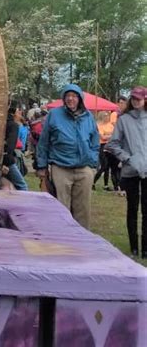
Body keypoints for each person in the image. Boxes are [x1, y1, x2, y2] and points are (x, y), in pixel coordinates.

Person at [36, 84, 99, 229]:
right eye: (68, 96)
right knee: (61, 207)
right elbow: (43, 142)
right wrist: (41, 166)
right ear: (64, 98)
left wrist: (93, 163)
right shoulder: (54, 115)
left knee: (83, 208)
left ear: (80, 99)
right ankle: (61, 236)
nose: (71, 99)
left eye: (74, 96)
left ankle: (82, 240)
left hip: (84, 168)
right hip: (61, 167)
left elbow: (95, 142)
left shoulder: (88, 116)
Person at [105, 86, 147, 258]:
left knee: (146, 210)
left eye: (139, 98)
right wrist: (127, 158)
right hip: (131, 171)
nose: (136, 101)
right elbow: (112, 144)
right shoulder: (124, 120)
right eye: (133, 98)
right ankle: (134, 246)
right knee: (132, 208)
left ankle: (145, 247)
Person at [0, 101, 28, 191]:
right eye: (19, 111)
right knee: (22, 186)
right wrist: (5, 164)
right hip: (6, 161)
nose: (20, 114)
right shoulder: (13, 125)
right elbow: (10, 146)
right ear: (15, 112)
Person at [93, 111, 115, 191]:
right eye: (105, 116)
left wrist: (108, 136)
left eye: (108, 116)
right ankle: (93, 182)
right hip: (102, 146)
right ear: (102, 117)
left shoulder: (110, 125)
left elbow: (115, 134)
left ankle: (106, 185)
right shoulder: (99, 126)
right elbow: (102, 137)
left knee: (108, 167)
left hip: (110, 146)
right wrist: (110, 136)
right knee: (104, 166)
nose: (107, 118)